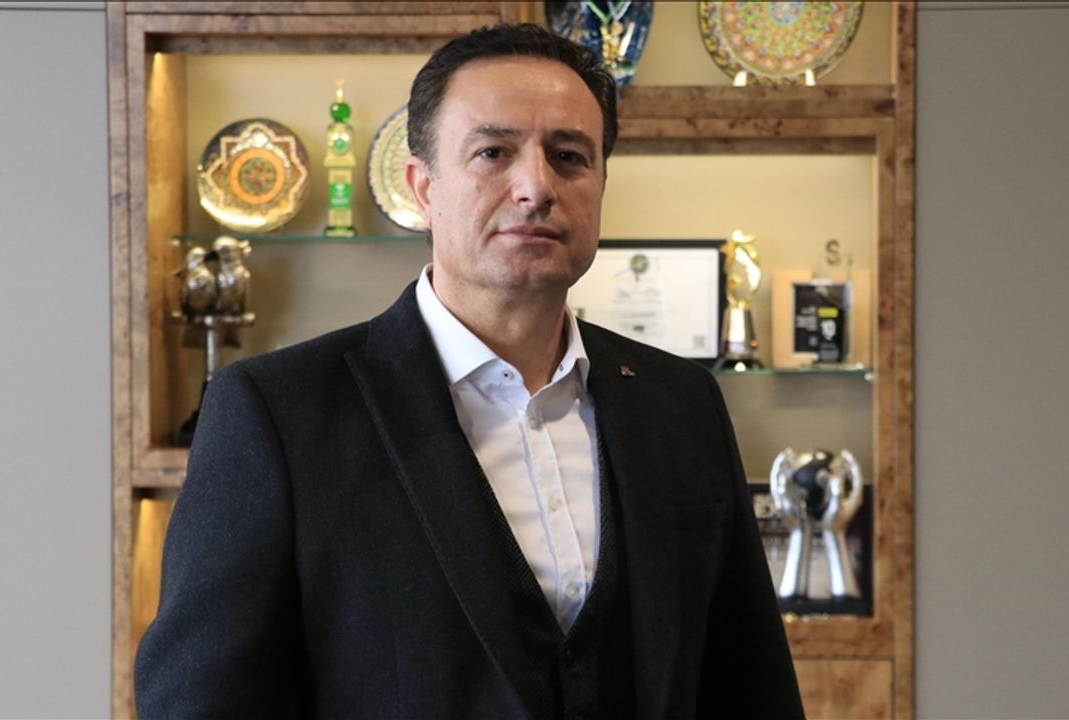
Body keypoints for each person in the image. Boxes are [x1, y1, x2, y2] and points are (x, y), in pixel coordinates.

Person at [135, 23, 804, 719]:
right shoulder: (277, 413)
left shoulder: (682, 402)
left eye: (569, 156)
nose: (536, 186)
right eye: (492, 152)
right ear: (422, 188)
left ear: (601, 184)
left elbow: (750, 685)